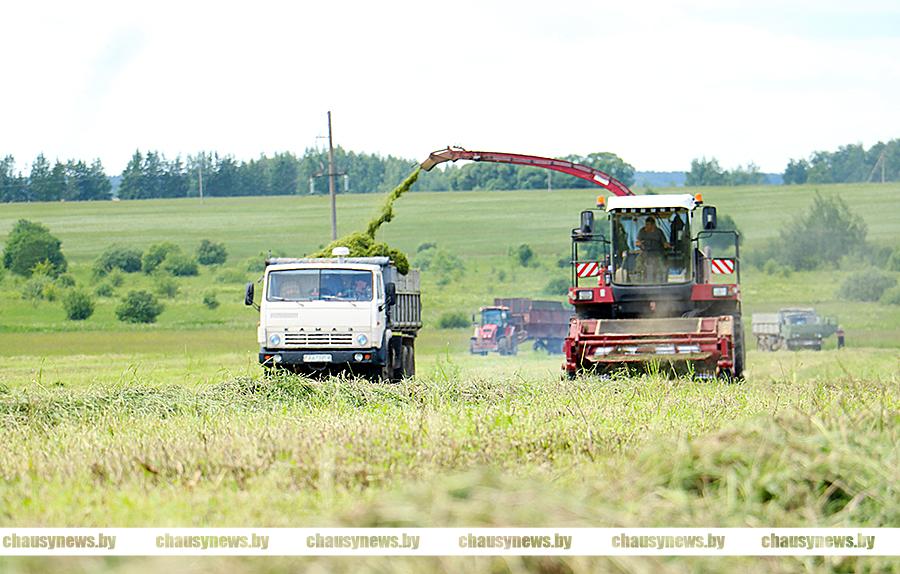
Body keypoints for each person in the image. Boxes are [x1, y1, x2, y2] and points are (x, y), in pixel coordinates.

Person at [636, 216, 669, 282]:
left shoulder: (659, 232)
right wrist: (639, 244)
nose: (646, 226)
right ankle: (639, 279)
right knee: (638, 261)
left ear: (653, 225)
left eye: (648, 225)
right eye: (646, 224)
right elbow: (637, 242)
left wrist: (666, 245)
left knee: (662, 264)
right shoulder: (642, 231)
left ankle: (663, 280)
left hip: (657, 252)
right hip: (645, 252)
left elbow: (664, 243)